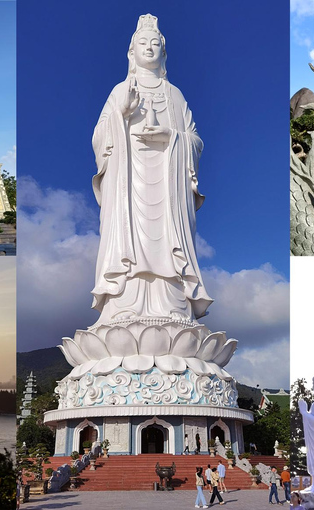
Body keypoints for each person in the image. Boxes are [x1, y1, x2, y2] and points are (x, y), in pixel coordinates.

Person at [90, 13, 212, 326]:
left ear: (163, 52)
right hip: (128, 178)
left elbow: (195, 139)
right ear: (131, 52)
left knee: (168, 238)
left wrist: (170, 137)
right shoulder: (120, 90)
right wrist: (122, 113)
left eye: (155, 43)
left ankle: (173, 305)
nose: (149, 47)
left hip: (168, 179)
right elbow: (99, 137)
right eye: (142, 43)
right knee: (126, 236)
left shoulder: (175, 95)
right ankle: (123, 305)